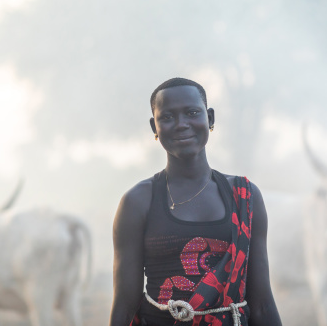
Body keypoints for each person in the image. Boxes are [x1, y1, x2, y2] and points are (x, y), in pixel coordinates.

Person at [110, 78, 282, 326]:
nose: (181, 124)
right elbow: (124, 307)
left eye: (192, 113)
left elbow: (262, 304)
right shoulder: (137, 202)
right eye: (167, 117)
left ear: (210, 119)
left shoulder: (245, 197)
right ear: (154, 127)